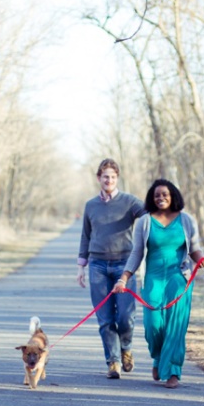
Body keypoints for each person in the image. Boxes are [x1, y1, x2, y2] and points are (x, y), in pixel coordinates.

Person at [113, 179, 204, 389]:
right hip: (153, 278)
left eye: (165, 194)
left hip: (178, 278)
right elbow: (137, 253)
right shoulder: (145, 221)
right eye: (157, 195)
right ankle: (158, 358)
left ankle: (173, 371)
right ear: (151, 198)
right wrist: (124, 278)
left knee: (175, 325)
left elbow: (194, 248)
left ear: (173, 195)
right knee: (153, 325)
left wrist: (200, 258)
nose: (161, 198)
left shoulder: (186, 220)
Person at [77, 158, 147, 379]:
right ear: (99, 178)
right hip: (97, 265)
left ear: (117, 179)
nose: (109, 180)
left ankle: (126, 348)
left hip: (124, 266)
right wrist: (81, 266)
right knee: (105, 318)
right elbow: (85, 235)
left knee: (126, 316)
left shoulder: (129, 202)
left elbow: (148, 215)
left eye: (113, 177)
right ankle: (113, 362)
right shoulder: (90, 205)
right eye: (105, 176)